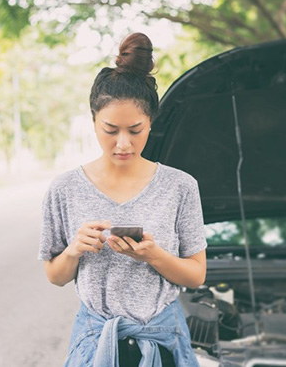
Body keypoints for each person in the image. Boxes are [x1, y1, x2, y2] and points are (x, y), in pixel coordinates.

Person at [38, 32, 207, 366]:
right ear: (93, 120)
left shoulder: (180, 187)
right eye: (111, 130)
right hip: (94, 345)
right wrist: (74, 249)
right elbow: (55, 275)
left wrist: (155, 255)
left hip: (162, 346)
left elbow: (196, 275)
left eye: (136, 129)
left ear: (151, 123)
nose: (123, 143)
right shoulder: (64, 189)